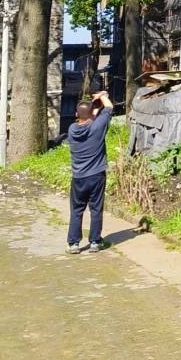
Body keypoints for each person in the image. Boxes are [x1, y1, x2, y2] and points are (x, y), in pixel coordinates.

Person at [66, 89, 113, 253]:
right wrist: (101, 97)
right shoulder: (97, 127)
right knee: (96, 209)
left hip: (78, 177)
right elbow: (109, 108)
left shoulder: (72, 130)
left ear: (76, 114)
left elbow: (89, 116)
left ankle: (73, 244)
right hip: (96, 176)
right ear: (92, 114)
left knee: (77, 211)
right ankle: (94, 242)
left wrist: (93, 106)